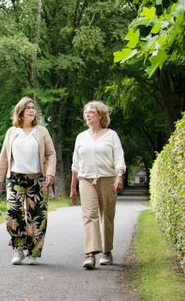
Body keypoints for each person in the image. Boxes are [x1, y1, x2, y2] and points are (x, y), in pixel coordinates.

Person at [0, 97, 56, 265]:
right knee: (13, 212)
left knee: (38, 215)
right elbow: (4, 157)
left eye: (33, 108)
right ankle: (18, 248)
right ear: (20, 111)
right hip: (15, 178)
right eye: (27, 108)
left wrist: (50, 174)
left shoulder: (42, 131)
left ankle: (33, 253)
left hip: (37, 179)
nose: (31, 110)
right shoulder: (11, 132)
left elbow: (51, 154)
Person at [70, 101, 126, 269]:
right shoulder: (81, 137)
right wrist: (73, 187)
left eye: (91, 112)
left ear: (101, 115)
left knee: (107, 217)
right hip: (86, 179)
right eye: (86, 112)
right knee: (89, 216)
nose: (87, 115)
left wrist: (119, 176)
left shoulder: (111, 135)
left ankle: (106, 251)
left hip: (107, 178)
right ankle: (90, 254)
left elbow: (119, 158)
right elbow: (75, 164)